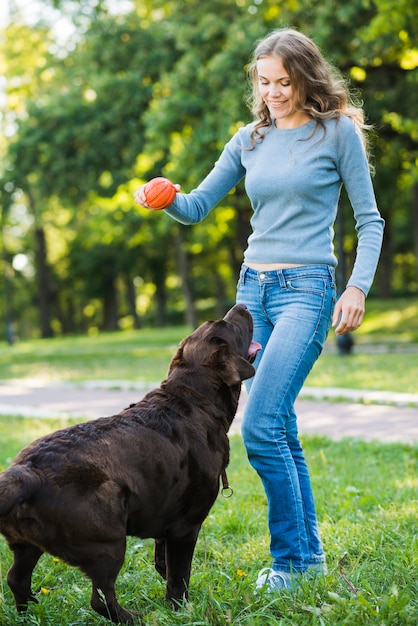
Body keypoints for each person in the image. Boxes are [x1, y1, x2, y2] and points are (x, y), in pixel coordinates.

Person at [134, 28, 384, 593]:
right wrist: (168, 197)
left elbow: (370, 221)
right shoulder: (248, 139)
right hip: (253, 295)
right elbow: (197, 207)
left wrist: (358, 288)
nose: (273, 92)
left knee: (265, 424)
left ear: (306, 77)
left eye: (284, 82)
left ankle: (292, 563)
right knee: (281, 426)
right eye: (264, 82)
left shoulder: (336, 132)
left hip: (308, 290)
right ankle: (308, 557)